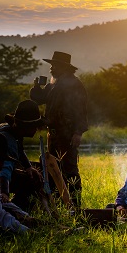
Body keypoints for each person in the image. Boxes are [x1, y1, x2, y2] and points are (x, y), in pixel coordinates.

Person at [0, 100, 57, 215]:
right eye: (34, 126)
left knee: (35, 170)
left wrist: (28, 167)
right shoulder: (9, 140)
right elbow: (4, 170)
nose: (36, 129)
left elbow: (20, 150)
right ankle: (14, 210)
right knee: (31, 180)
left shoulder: (12, 131)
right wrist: (4, 193)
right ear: (26, 127)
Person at [30, 51, 88, 208]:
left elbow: (81, 110)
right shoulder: (54, 82)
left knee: (69, 169)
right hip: (54, 134)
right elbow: (40, 98)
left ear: (63, 67)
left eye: (54, 65)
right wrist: (36, 88)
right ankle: (59, 203)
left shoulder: (74, 84)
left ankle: (75, 205)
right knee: (53, 168)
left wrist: (78, 132)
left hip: (68, 134)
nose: (51, 68)